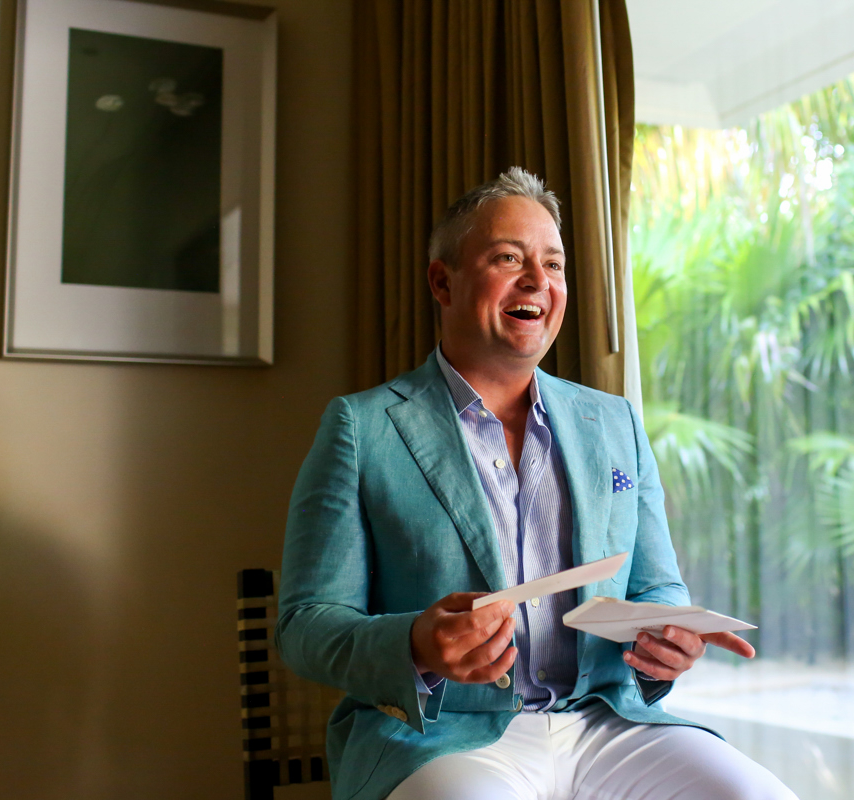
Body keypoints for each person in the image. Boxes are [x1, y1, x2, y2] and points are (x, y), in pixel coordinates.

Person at [276, 167, 798, 800]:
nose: (538, 282)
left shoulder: (613, 421)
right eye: (507, 258)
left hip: (609, 721)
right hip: (444, 736)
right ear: (443, 281)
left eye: (553, 264)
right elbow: (305, 627)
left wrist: (668, 638)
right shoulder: (362, 428)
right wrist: (416, 642)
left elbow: (656, 585)